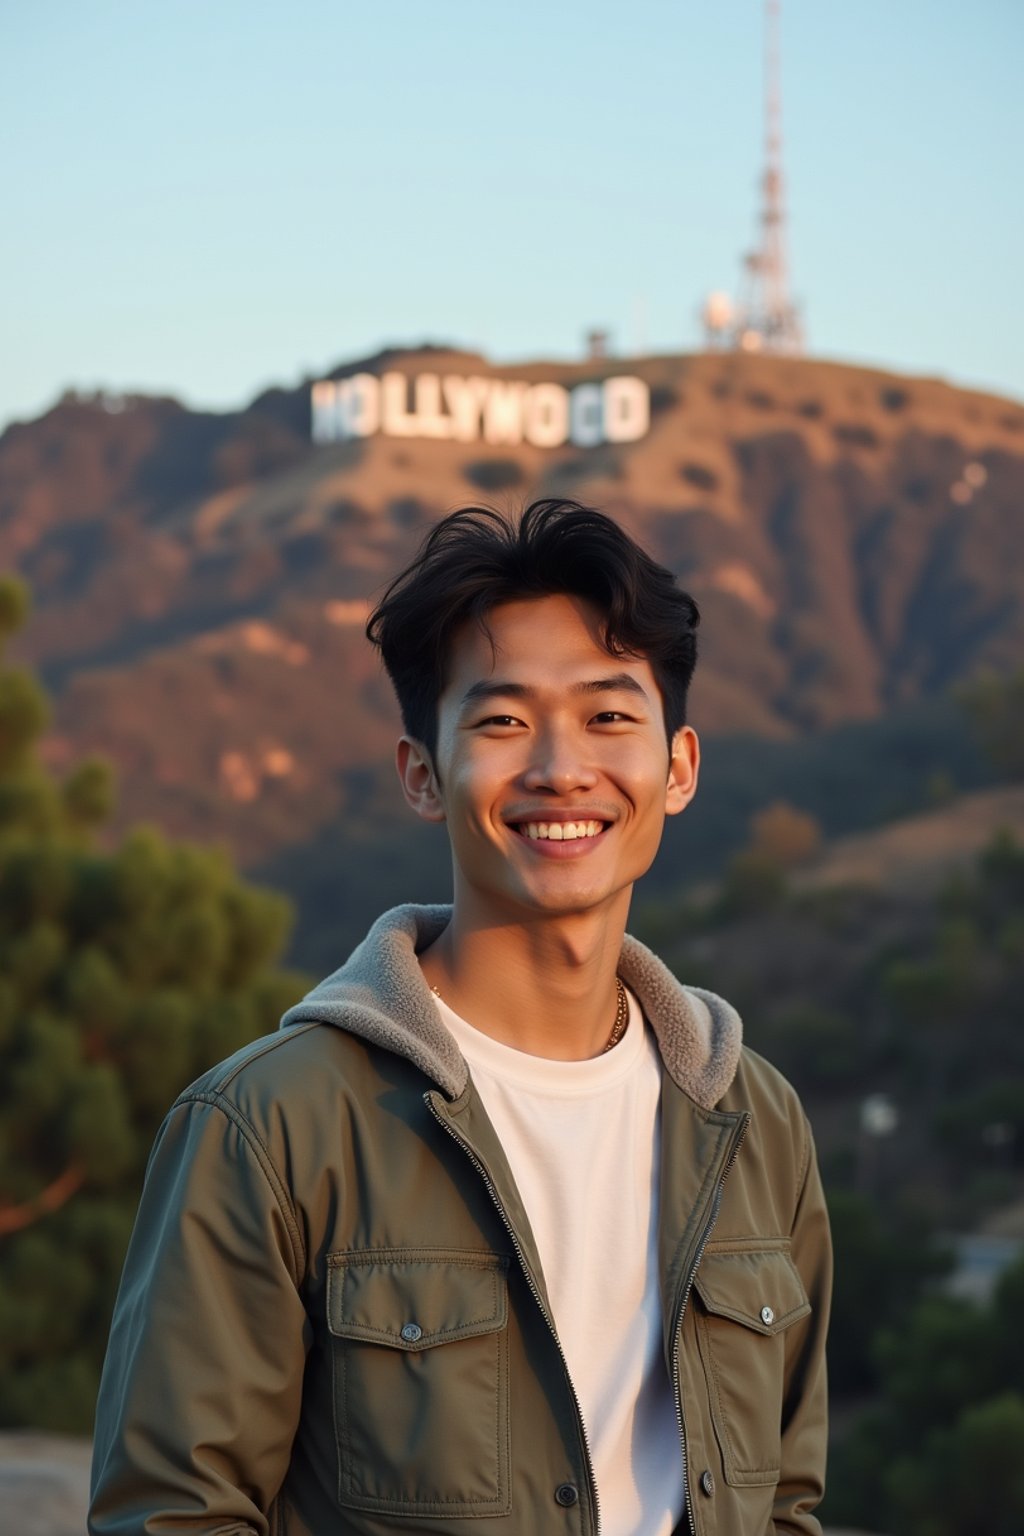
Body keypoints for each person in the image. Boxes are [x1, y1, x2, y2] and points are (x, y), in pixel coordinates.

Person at [90, 499, 831, 1536]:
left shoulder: (755, 1121)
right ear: (423, 776)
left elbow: (787, 1498)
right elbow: (173, 1513)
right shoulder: (270, 1127)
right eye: (502, 720)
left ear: (678, 768)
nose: (560, 766)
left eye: (610, 715)